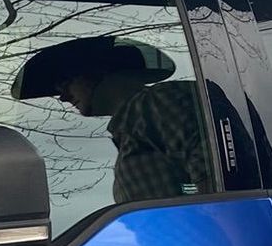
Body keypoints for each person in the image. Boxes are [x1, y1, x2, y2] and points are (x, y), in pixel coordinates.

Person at [14, 34, 212, 204]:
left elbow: (215, 187)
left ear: (98, 70)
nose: (64, 97)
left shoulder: (156, 103)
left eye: (66, 84)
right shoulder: (133, 126)